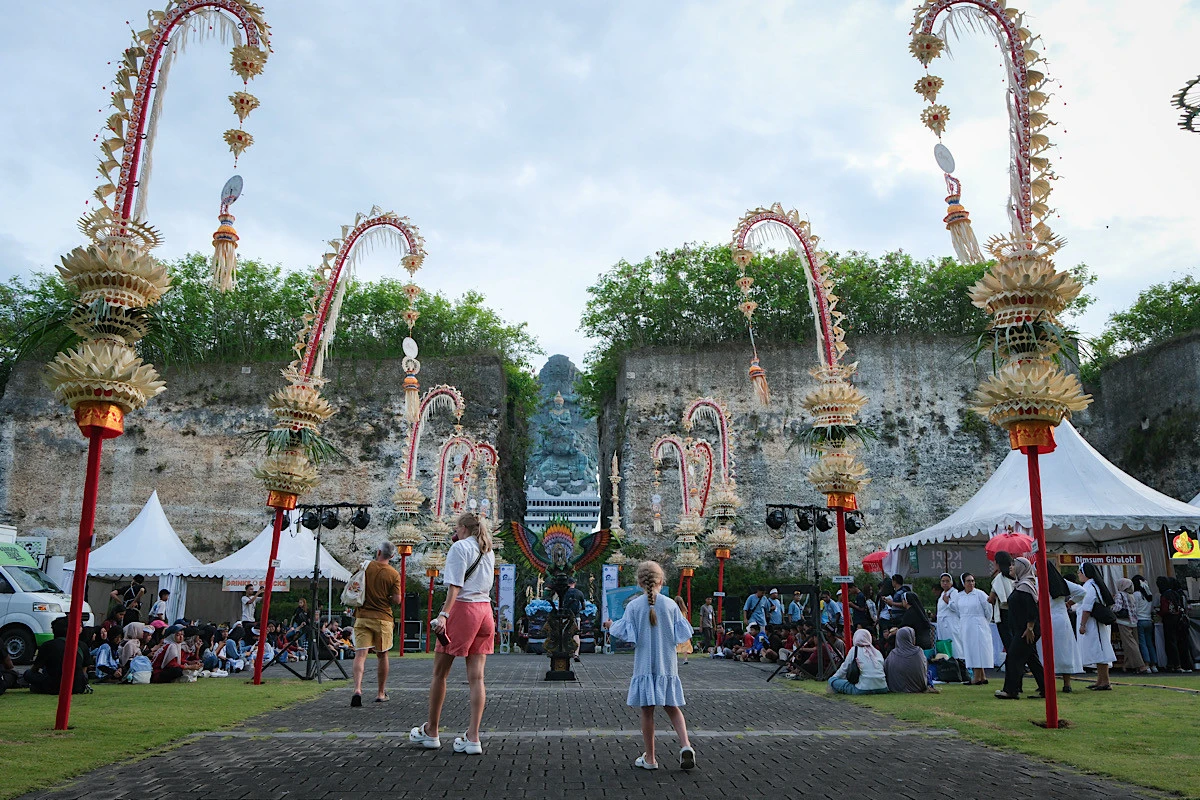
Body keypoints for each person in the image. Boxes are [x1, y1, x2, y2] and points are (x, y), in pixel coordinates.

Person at [411, 513, 494, 755]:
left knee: (440, 674)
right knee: (477, 678)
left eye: (456, 527)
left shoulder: (460, 547)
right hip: (485, 612)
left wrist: (444, 615)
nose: (454, 531)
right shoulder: (487, 549)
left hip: (464, 610)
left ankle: (432, 731)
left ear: (464, 528)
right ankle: (473, 737)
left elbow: (455, 585)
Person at [603, 560, 695, 771]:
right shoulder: (671, 605)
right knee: (673, 708)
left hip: (644, 666)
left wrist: (610, 626)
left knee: (647, 711)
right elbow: (684, 633)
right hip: (667, 666)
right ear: (661, 580)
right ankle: (685, 745)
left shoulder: (634, 606)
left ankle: (651, 758)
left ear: (639, 582)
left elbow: (624, 632)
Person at [352, 541, 403, 707]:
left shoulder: (365, 567)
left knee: (361, 655)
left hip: (363, 615)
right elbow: (397, 600)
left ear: (378, 551)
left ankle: (357, 689)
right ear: (393, 556)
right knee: (382, 655)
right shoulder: (393, 574)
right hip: (383, 617)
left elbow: (354, 584)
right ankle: (381, 692)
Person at [994, 557, 1045, 700]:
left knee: (1013, 657)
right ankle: (1045, 688)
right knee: (1032, 660)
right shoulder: (1020, 584)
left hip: (1025, 630)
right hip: (1021, 629)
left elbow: (1032, 609)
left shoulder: (1026, 586)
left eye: (1014, 565)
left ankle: (1011, 690)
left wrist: (1030, 628)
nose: (1011, 567)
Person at [1038, 560, 1084, 692]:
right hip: (1061, 619)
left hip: (1047, 619)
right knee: (1064, 651)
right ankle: (1067, 684)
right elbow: (1081, 592)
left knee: (1046, 652)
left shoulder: (1037, 582)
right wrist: (1069, 603)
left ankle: (1047, 683)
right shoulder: (1062, 582)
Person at [26, 616, 91, 694]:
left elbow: (35, 668)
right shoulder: (82, 645)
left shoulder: (47, 645)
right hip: (77, 687)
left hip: (54, 687)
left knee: (28, 674)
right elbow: (84, 671)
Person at [1078, 562, 1116, 690]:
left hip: (1094, 624)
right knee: (1097, 650)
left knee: (1100, 651)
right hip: (1095, 623)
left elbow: (1087, 607)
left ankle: (1105, 681)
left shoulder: (1090, 586)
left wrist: (1082, 624)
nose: (1078, 574)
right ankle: (1100, 680)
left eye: (1080, 571)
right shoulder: (1093, 585)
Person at [952, 572, 993, 685]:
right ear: (963, 583)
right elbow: (956, 608)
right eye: (968, 581)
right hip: (966, 624)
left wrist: (984, 621)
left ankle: (976, 677)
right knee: (970, 649)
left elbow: (988, 609)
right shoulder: (959, 596)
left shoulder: (980, 594)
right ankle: (982, 676)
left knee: (978, 649)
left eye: (972, 581)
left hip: (978, 624)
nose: (971, 583)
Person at [829, 629, 888, 695]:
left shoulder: (854, 650)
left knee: (832, 681)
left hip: (862, 688)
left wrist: (834, 678)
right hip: (882, 688)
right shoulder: (877, 652)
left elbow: (844, 668)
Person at [1112, 578, 1151, 674]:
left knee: (1130, 645)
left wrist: (1110, 606)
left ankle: (1141, 665)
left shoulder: (1119, 595)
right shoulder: (1132, 595)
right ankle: (1127, 665)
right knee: (1133, 644)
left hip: (1123, 622)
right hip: (1134, 622)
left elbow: (1117, 608)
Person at [1156, 576, 1193, 672]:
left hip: (1169, 620)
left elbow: (1164, 610)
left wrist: (1158, 613)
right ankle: (1185, 664)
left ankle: (1175, 664)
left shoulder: (1164, 595)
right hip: (1179, 619)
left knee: (1171, 642)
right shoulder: (1177, 593)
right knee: (1181, 642)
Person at [886, 626, 936, 693]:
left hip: (895, 688)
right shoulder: (918, 652)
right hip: (918, 687)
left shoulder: (892, 654)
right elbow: (924, 669)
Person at [989, 552, 1016, 658]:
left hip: (1004, 612)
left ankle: (1014, 663)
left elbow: (991, 598)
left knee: (1008, 641)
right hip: (1015, 611)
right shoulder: (1015, 576)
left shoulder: (999, 578)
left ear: (997, 563)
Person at [1131, 575, 1157, 672]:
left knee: (1142, 643)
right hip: (1149, 620)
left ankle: (1146, 663)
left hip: (1140, 620)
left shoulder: (1136, 595)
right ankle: (1153, 664)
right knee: (1150, 642)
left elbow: (1134, 609)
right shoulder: (1148, 595)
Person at [935, 573, 963, 660]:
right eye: (943, 581)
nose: (945, 583)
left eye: (947, 581)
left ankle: (958, 660)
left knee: (953, 643)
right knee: (944, 642)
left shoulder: (954, 592)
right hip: (942, 623)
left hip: (950, 623)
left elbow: (957, 608)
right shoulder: (943, 593)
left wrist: (948, 601)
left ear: (951, 582)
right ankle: (946, 659)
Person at [564, 578, 587, 662]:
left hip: (565, 616)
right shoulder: (579, 593)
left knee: (565, 634)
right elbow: (584, 606)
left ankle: (566, 653)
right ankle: (576, 654)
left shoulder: (564, 592)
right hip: (576, 616)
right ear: (575, 583)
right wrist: (579, 610)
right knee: (576, 635)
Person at [674, 595, 693, 665]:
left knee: (676, 644)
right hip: (684, 628)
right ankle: (685, 658)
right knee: (685, 644)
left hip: (676, 628)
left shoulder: (674, 610)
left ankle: (675, 659)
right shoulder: (684, 610)